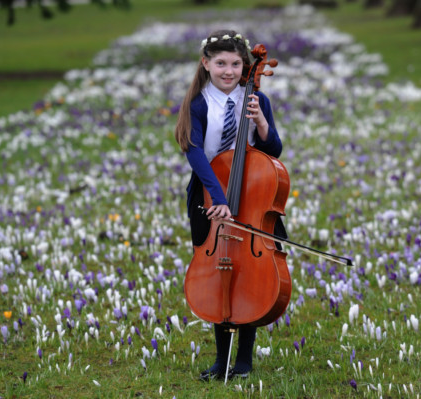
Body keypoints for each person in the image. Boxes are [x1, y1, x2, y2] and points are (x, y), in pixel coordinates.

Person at [174, 29, 285, 381]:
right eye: (220, 63)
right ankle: (221, 360)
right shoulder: (199, 102)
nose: (228, 71)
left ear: (246, 66)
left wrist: (261, 123)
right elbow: (194, 152)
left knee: (252, 272)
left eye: (236, 64)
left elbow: (274, 151)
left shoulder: (255, 99)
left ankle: (245, 360)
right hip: (209, 192)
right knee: (221, 268)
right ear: (206, 64)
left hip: (254, 196)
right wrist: (218, 196)